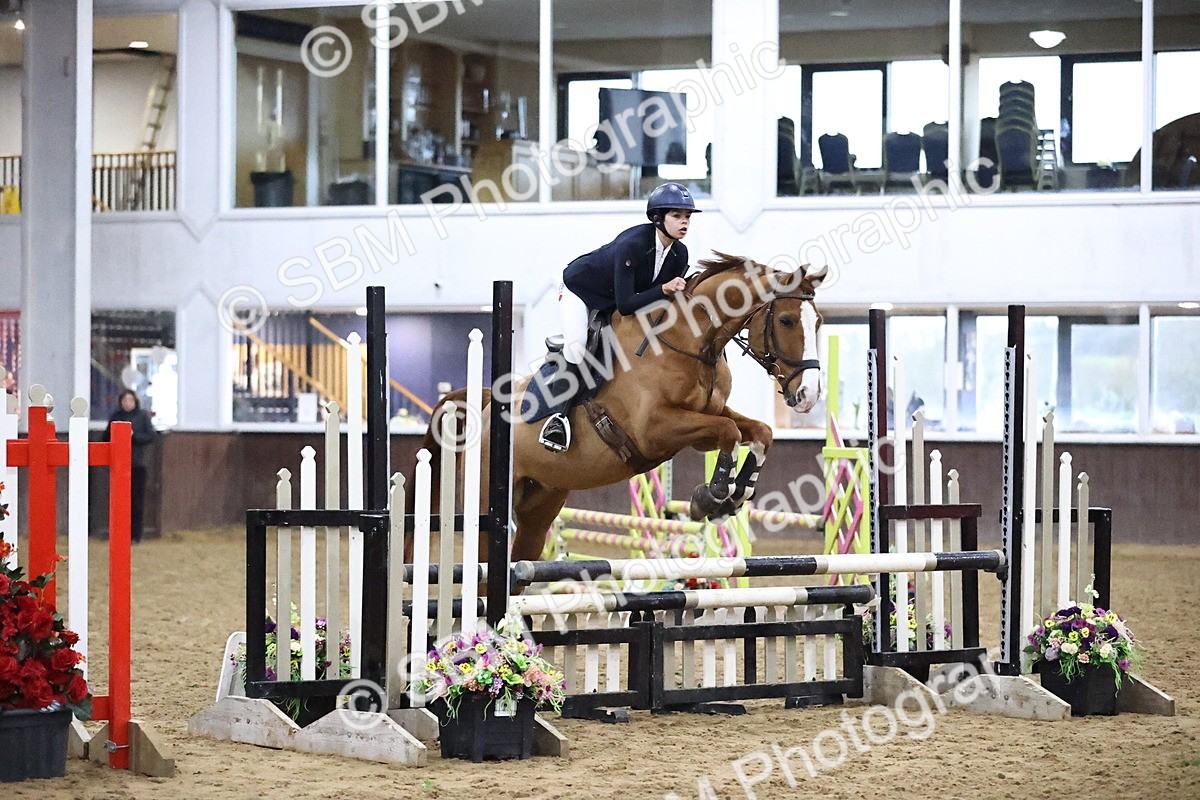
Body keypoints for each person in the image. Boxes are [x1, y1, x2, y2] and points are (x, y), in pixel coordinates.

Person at [538, 182, 700, 452]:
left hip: (612, 299)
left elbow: (659, 302)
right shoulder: (632, 245)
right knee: (577, 346)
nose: (684, 222)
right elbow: (627, 305)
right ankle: (558, 418)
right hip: (580, 291)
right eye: (676, 216)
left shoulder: (679, 253)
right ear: (657, 218)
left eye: (687, 217)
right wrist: (663, 289)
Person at [105, 389, 158, 543]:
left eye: (130, 400)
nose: (127, 403)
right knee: (118, 501)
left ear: (135, 402)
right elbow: (106, 436)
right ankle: (119, 533)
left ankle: (135, 535)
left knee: (137, 501)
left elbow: (151, 436)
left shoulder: (142, 416)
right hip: (119, 465)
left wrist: (134, 436)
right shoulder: (116, 416)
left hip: (137, 464)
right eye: (125, 400)